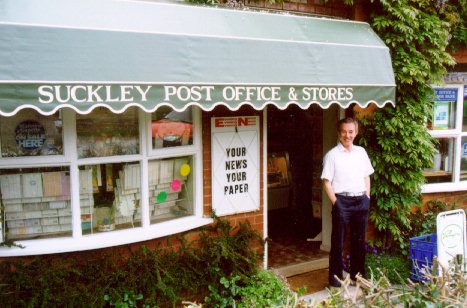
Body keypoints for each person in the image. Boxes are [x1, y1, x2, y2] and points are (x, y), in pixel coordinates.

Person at [321, 117, 374, 287]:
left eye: (351, 132)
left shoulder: (361, 152)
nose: (347, 135)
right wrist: (336, 203)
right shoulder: (332, 155)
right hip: (342, 201)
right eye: (344, 132)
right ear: (339, 133)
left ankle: (357, 277)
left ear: (356, 133)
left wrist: (367, 197)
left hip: (360, 201)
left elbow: (366, 176)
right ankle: (335, 280)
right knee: (338, 243)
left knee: (358, 242)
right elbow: (326, 182)